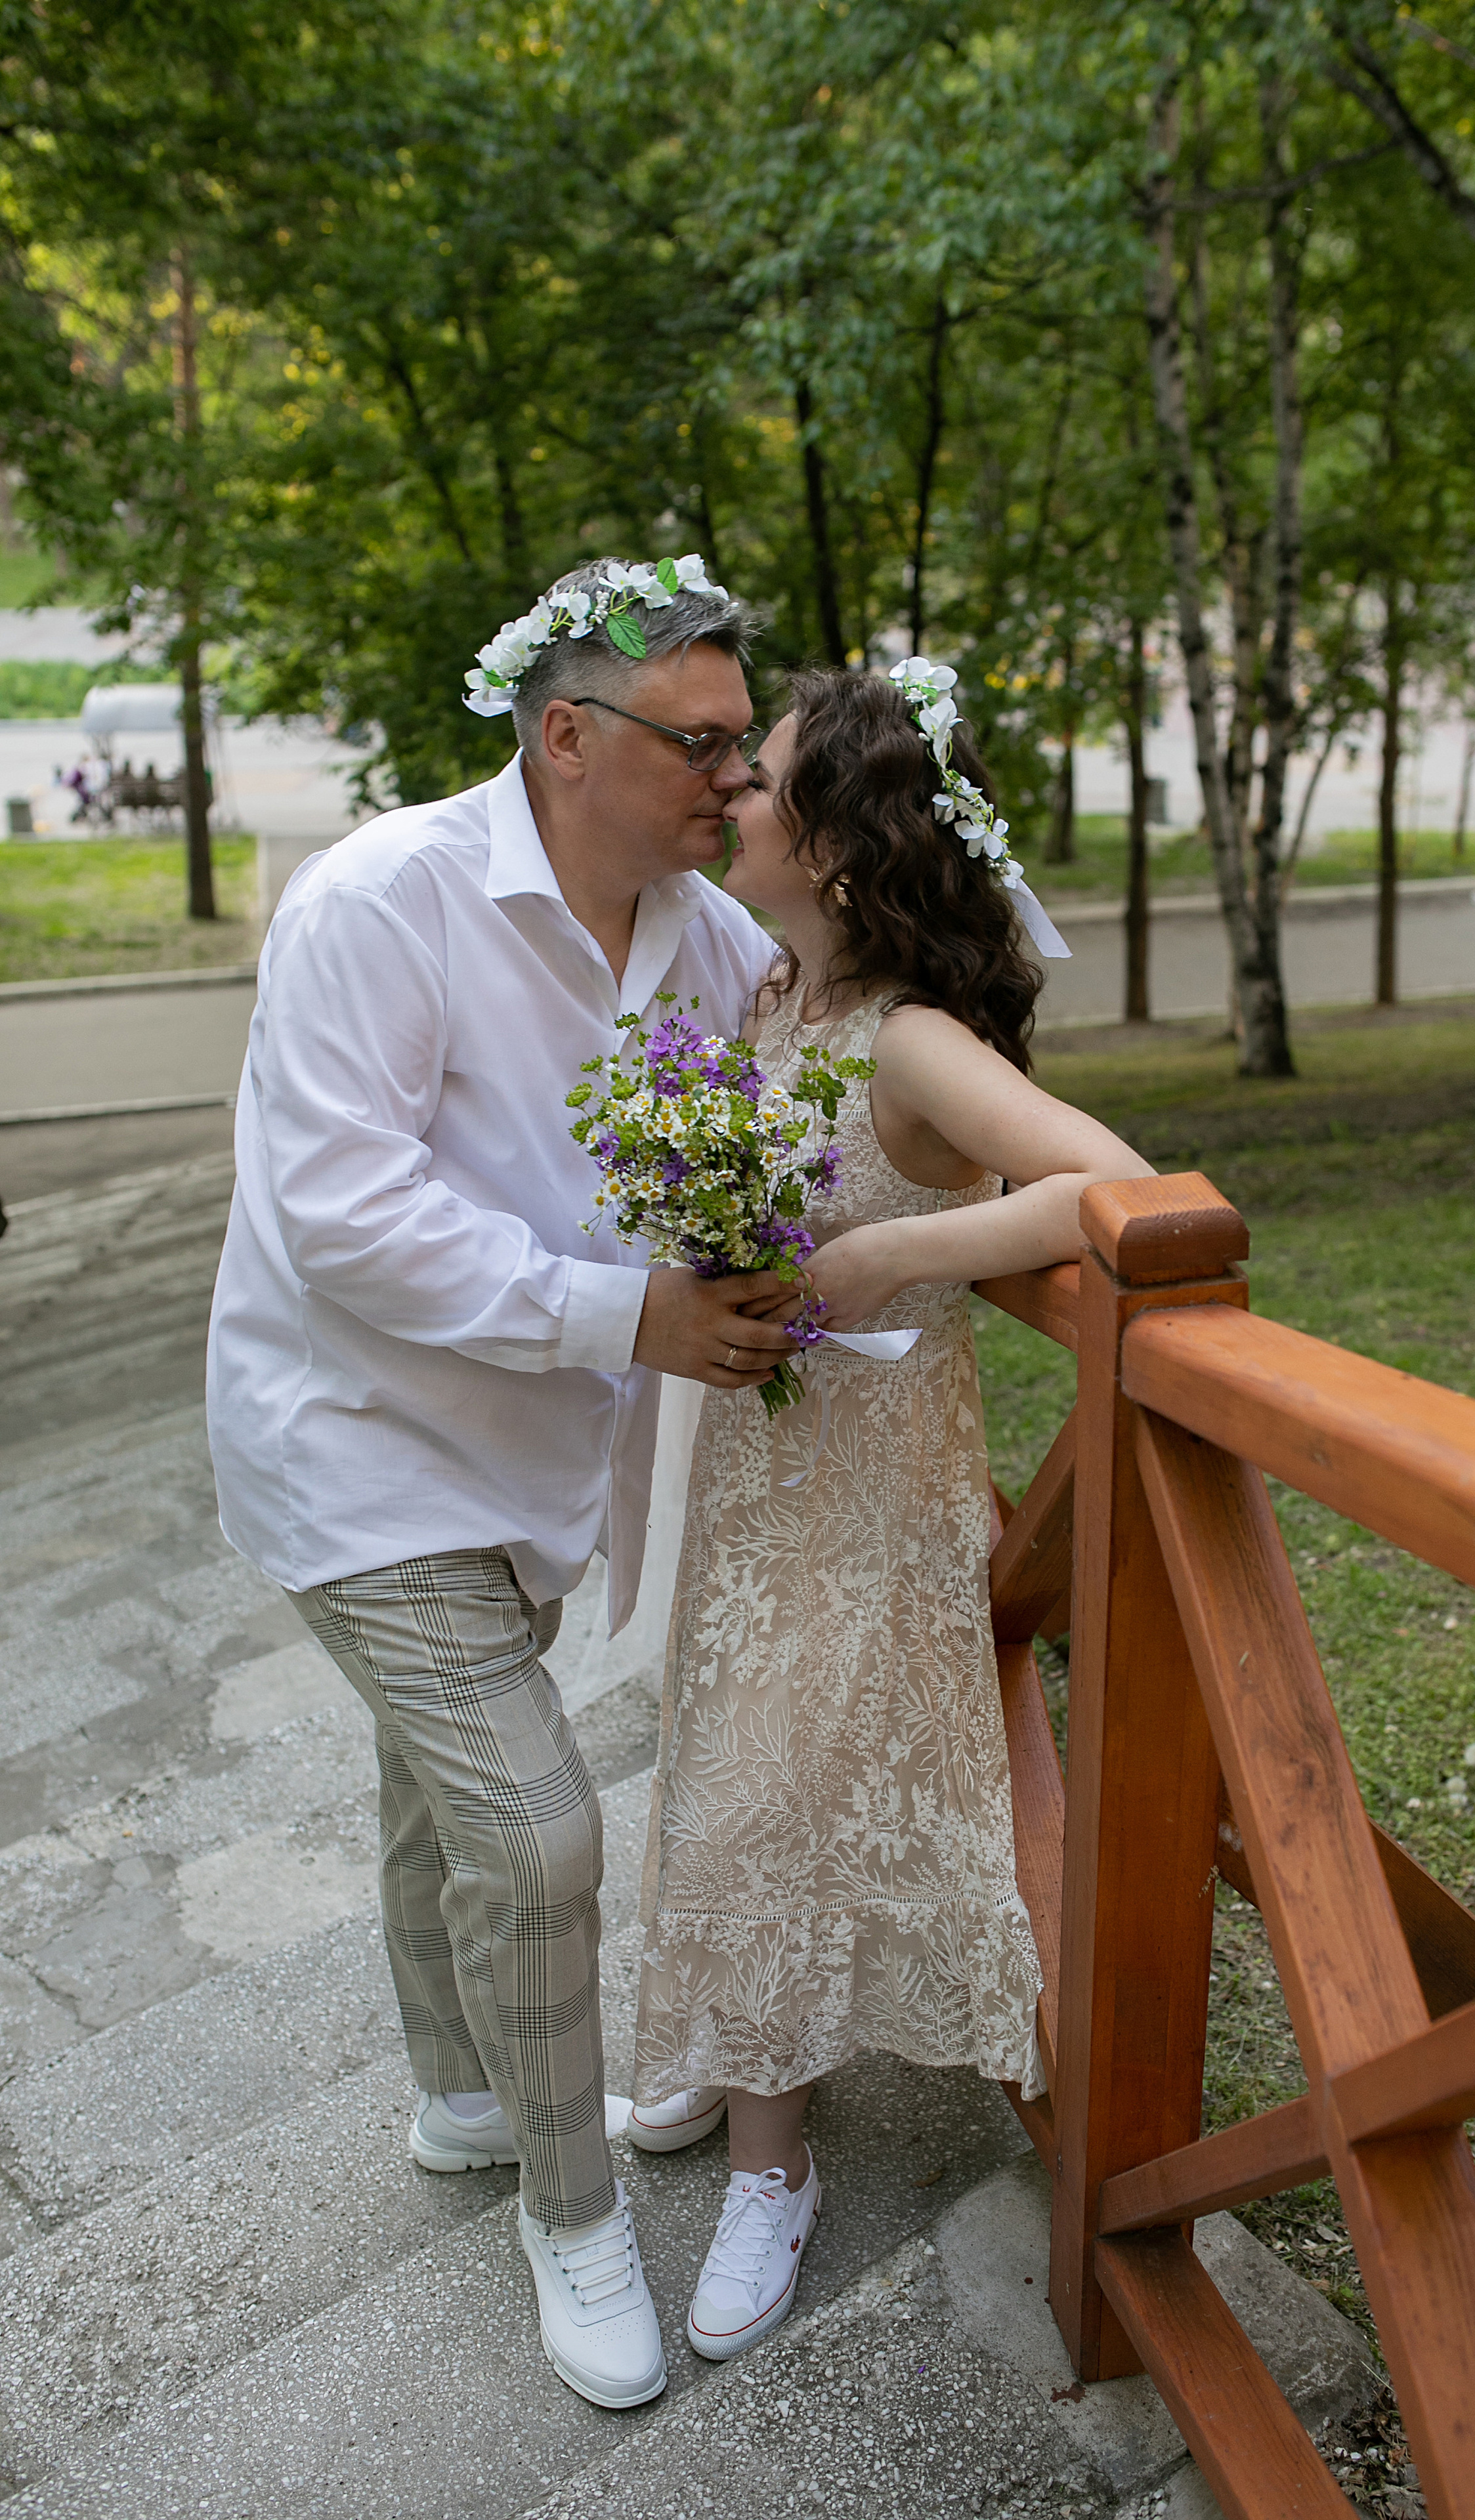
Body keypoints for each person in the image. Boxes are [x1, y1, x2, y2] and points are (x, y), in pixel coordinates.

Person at [205, 554, 802, 2413]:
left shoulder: (709, 943)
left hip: (535, 1455)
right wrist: (623, 1316)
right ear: (565, 735)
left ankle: (463, 2097)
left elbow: (758, 1137)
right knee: (539, 1832)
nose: (735, 781)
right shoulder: (382, 901)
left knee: (437, 1791)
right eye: (702, 744)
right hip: (356, 1443)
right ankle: (575, 2210)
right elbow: (342, 1220)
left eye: (741, 745)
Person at [627, 660, 1154, 2361]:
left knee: (771, 1800)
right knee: (729, 1766)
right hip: (765, 1464)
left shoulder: (911, 1039)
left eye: (759, 778)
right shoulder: (771, 995)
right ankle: (742, 2041)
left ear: (844, 849)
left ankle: (773, 2171)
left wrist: (900, 1248)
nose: (730, 798)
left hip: (870, 1485)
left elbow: (1116, 1180)